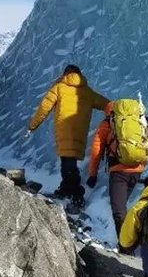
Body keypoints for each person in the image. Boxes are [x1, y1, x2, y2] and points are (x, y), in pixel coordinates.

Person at [28, 65, 109, 207]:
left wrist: (33, 125)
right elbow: (107, 104)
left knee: (68, 164)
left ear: (65, 74)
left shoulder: (59, 87)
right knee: (68, 161)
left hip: (64, 129)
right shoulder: (87, 92)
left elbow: (44, 107)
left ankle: (77, 194)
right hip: (80, 131)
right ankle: (66, 189)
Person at [86, 101, 148, 235]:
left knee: (119, 212)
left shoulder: (107, 124)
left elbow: (96, 151)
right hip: (137, 171)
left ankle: (126, 248)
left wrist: (92, 174)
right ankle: (134, 240)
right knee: (123, 208)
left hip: (119, 172)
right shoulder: (137, 121)